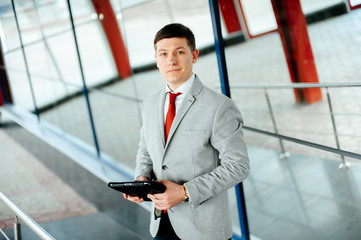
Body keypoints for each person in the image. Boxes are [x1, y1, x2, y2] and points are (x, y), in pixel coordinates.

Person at [123, 23, 250, 240]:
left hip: (204, 230)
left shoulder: (219, 106)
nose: (171, 60)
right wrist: (141, 179)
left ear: (194, 55)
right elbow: (146, 149)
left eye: (179, 52)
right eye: (163, 54)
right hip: (160, 224)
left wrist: (184, 192)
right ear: (156, 59)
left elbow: (238, 166)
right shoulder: (150, 102)